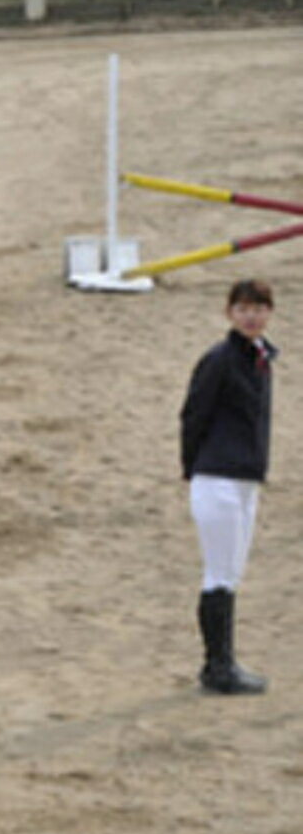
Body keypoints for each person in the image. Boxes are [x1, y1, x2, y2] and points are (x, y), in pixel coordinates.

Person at [179, 279, 278, 695]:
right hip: (217, 476)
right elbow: (193, 415)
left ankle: (225, 661)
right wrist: (193, 467)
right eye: (243, 308)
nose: (252, 315)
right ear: (230, 313)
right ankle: (216, 666)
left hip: (244, 478)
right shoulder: (219, 359)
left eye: (259, 308)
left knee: (232, 572)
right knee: (218, 573)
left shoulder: (261, 358)